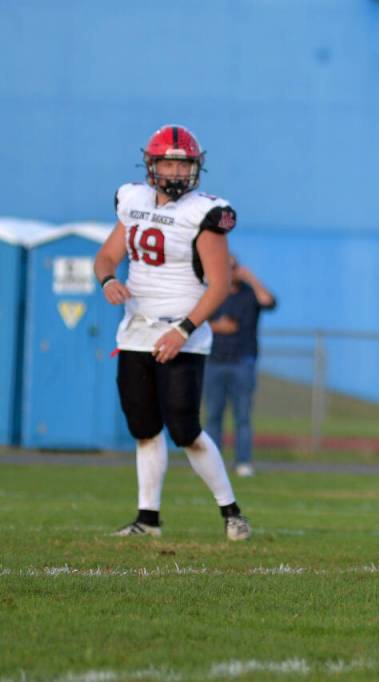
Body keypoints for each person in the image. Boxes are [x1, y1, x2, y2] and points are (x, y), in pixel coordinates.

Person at [93, 124, 251, 541]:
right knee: (144, 427)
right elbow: (107, 255)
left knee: (184, 428)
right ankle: (148, 518)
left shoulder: (206, 213)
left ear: (196, 168)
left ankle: (231, 511)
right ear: (151, 164)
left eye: (183, 165)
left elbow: (218, 285)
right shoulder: (132, 200)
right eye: (168, 163)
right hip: (137, 331)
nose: (176, 173)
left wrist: (182, 330)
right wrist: (108, 280)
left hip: (184, 330)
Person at [204, 255, 277, 478]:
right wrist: (218, 327)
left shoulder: (248, 293)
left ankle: (243, 461)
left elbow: (268, 302)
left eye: (233, 267)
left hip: (242, 362)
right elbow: (197, 318)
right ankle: (211, 464)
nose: (230, 272)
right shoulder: (213, 293)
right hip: (215, 361)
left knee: (242, 416)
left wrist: (252, 279)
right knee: (213, 415)